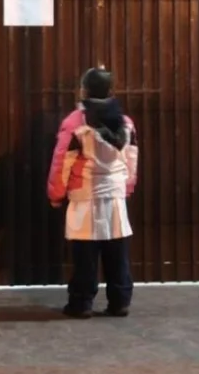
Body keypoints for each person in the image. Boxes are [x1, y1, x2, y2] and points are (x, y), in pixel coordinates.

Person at [46, 67, 138, 318]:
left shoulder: (75, 123)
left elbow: (62, 162)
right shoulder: (126, 123)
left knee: (85, 255)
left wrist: (55, 194)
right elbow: (131, 158)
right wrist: (127, 186)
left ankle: (81, 303)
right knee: (117, 252)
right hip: (115, 196)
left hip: (84, 196)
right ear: (111, 91)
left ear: (83, 91)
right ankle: (120, 301)